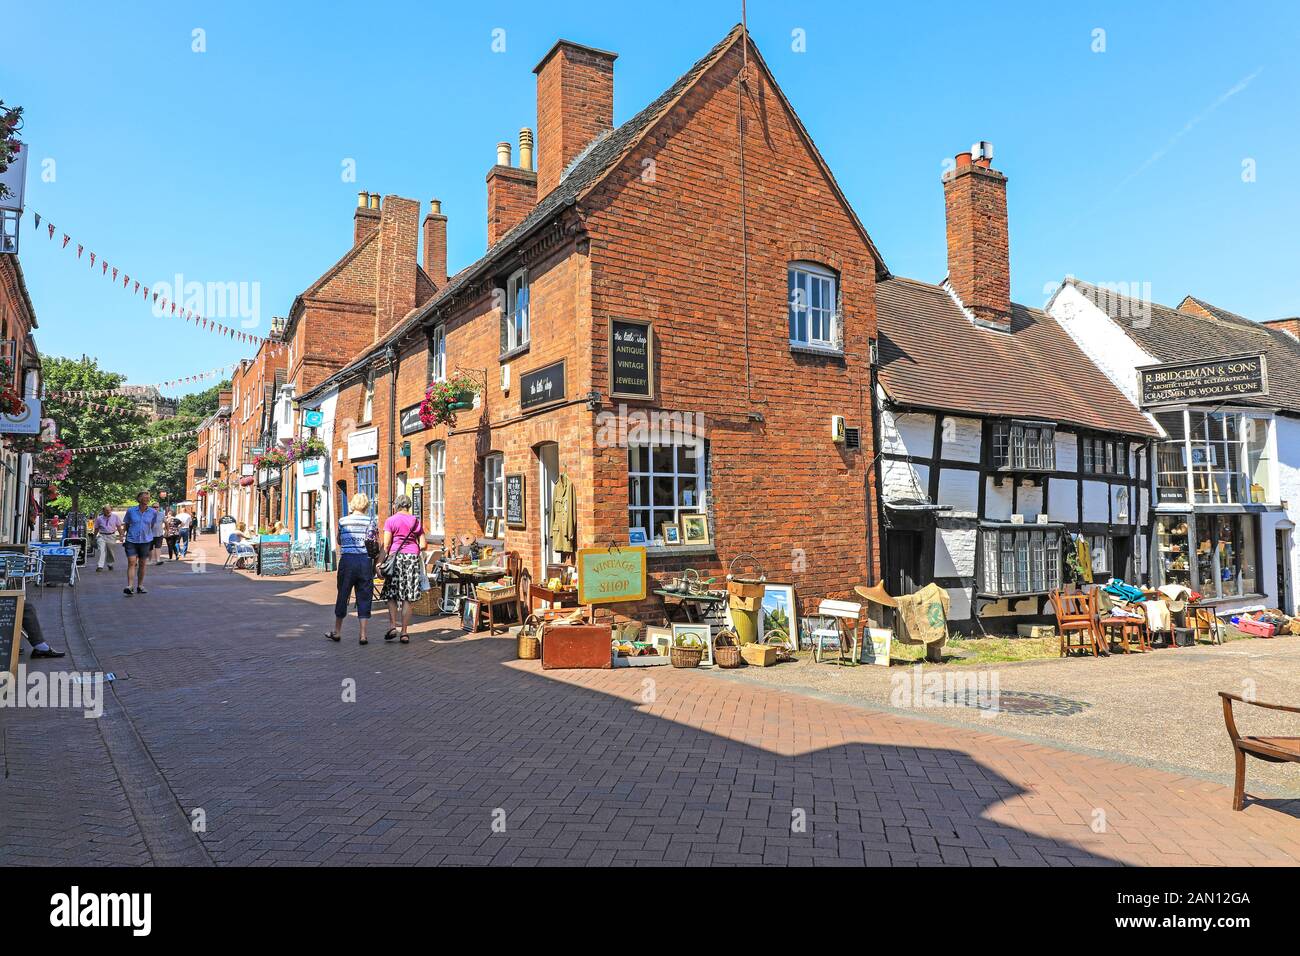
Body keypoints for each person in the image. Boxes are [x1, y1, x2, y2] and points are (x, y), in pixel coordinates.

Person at [327, 493, 377, 646]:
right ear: (366, 506)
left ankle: (337, 631)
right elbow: (375, 542)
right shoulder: (371, 521)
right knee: (364, 596)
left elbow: (339, 541)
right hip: (364, 561)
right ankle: (362, 635)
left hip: (347, 560)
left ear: (352, 504)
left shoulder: (343, 521)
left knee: (343, 594)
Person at [379, 494, 426, 644]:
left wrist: (379, 563)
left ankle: (393, 626)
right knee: (407, 597)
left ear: (396, 505)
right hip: (411, 559)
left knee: (392, 594)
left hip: (395, 560)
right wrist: (413, 550)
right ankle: (404, 632)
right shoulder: (415, 521)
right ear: (409, 506)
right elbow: (424, 545)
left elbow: (386, 545)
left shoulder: (391, 521)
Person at [121, 491, 158, 596]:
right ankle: (130, 586)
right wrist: (124, 535)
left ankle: (140, 586)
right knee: (131, 562)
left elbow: (151, 525)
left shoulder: (153, 512)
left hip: (146, 541)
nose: (147, 499)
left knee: (142, 563)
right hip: (131, 540)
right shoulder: (131, 511)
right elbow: (126, 524)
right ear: (139, 499)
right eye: (144, 497)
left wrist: (146, 534)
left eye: (148, 497)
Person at [92, 505, 122, 572]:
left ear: (111, 510)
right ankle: (100, 566)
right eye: (106, 510)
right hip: (102, 536)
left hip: (111, 536)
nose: (108, 511)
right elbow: (96, 529)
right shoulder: (99, 518)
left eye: (109, 510)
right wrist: (94, 538)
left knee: (110, 552)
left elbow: (119, 527)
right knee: (101, 550)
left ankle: (110, 564)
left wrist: (121, 536)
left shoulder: (115, 517)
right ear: (103, 511)